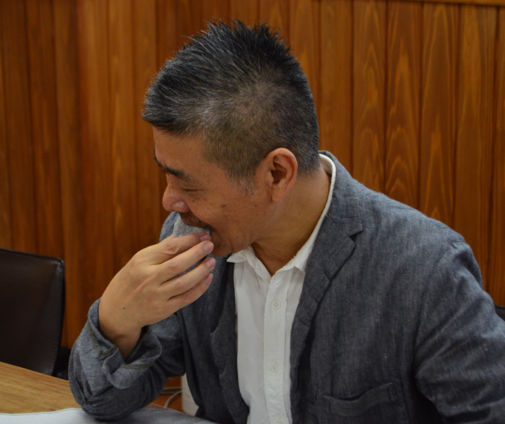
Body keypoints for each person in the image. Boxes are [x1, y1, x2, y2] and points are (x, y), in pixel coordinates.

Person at [69, 20, 505, 423]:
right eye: (165, 175)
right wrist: (116, 320)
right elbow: (101, 402)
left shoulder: (422, 270)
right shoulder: (194, 239)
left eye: (188, 184)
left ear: (277, 174)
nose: (169, 201)